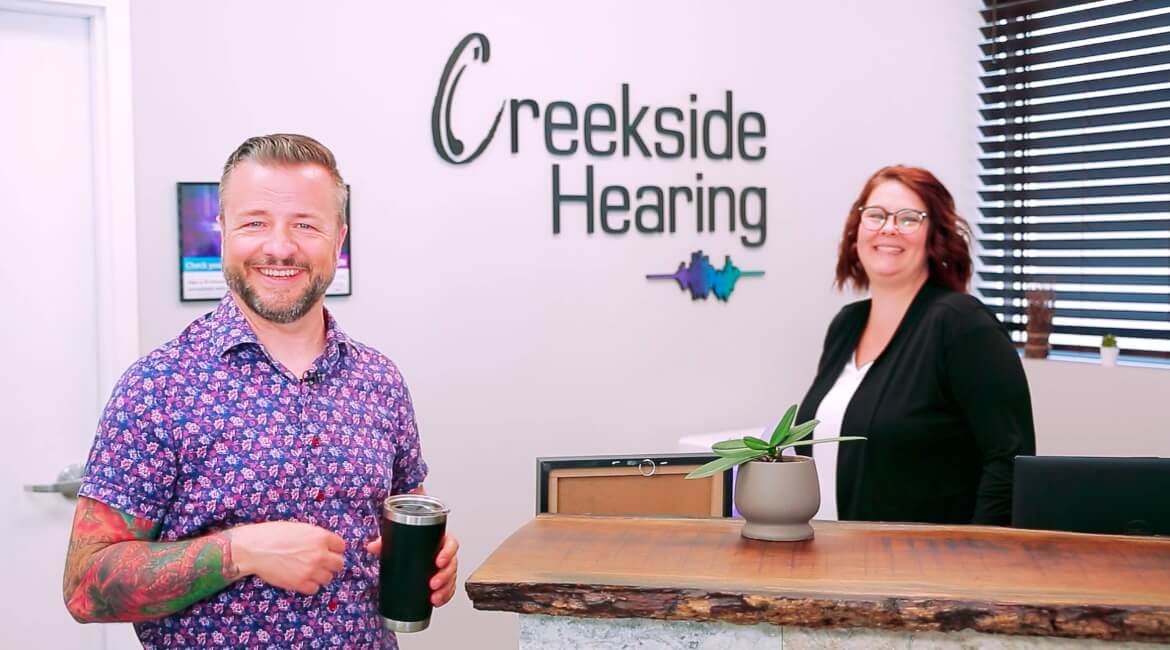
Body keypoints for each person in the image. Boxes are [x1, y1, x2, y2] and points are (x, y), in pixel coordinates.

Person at [62, 134, 458, 648]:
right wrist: (239, 551)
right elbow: (86, 587)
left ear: (338, 238)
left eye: (305, 225)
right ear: (222, 230)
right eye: (255, 223)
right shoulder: (157, 387)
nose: (279, 246)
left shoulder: (379, 381)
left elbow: (405, 518)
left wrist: (435, 561)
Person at [796, 165, 1035, 526]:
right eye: (875, 215)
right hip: (833, 566)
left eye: (909, 218)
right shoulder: (846, 325)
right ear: (857, 230)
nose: (889, 227)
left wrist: (981, 560)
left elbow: (1009, 460)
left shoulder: (960, 324)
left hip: (925, 571)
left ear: (934, 236)